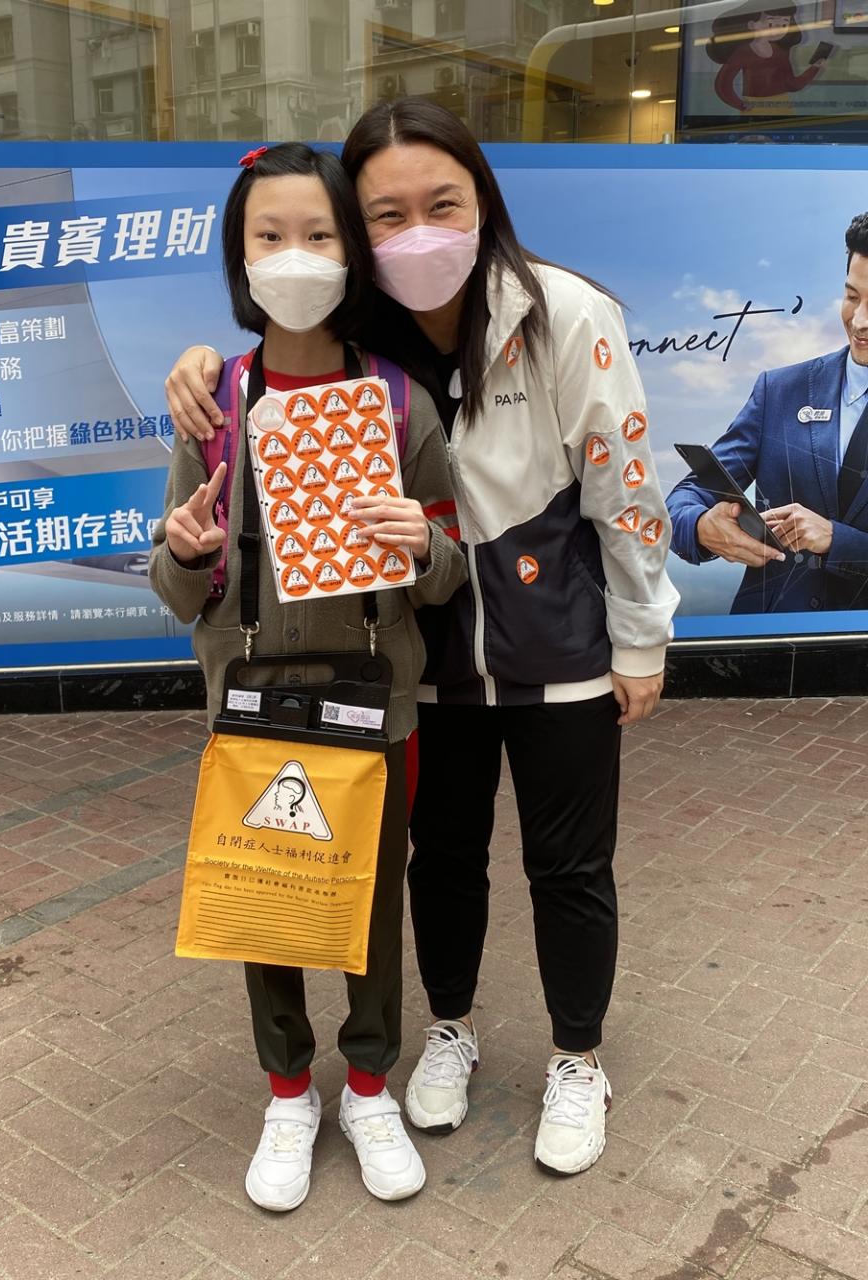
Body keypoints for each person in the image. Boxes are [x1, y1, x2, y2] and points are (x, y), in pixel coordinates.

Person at [163, 99, 678, 1177]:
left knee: (567, 864)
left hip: (558, 648)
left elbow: (624, 486)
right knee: (437, 862)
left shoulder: (560, 314)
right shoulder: (367, 337)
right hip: (421, 669)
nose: (418, 235)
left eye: (442, 204)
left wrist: (640, 638)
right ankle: (449, 1027)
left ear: (482, 197)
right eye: (386, 215)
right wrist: (203, 367)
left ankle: (577, 1057)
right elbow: (266, 381)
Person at [149, 142, 465, 1211]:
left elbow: (451, 562)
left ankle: (370, 1084)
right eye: (270, 235)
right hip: (251, 700)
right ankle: (289, 1090)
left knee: (371, 900)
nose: (295, 256)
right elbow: (176, 584)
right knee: (265, 898)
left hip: (376, 701)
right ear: (240, 256)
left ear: (352, 250)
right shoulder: (215, 401)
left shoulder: (396, 398)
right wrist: (185, 550)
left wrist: (421, 547)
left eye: (320, 233)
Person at [667, 212, 868, 614]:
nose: (859, 321)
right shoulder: (779, 391)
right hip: (768, 641)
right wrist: (703, 527)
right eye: (852, 297)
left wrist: (836, 540)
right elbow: (683, 500)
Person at [706, 4, 828, 115]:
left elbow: (792, 84)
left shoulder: (781, 52)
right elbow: (723, 84)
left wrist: (815, 68)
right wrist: (740, 104)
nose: (779, 29)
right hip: (755, 108)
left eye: (784, 24)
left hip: (783, 106)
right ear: (751, 25)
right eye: (771, 23)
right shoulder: (743, 53)